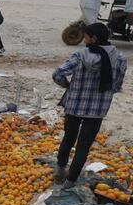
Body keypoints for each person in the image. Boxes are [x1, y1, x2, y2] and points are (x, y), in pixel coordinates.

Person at [52, 23, 127, 188]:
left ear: (94, 38)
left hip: (74, 107)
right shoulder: (120, 58)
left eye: (86, 37)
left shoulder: (81, 55)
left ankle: (60, 171)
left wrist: (67, 86)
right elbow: (117, 83)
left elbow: (57, 74)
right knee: (83, 147)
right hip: (97, 111)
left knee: (68, 139)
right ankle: (70, 182)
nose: (84, 40)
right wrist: (106, 94)